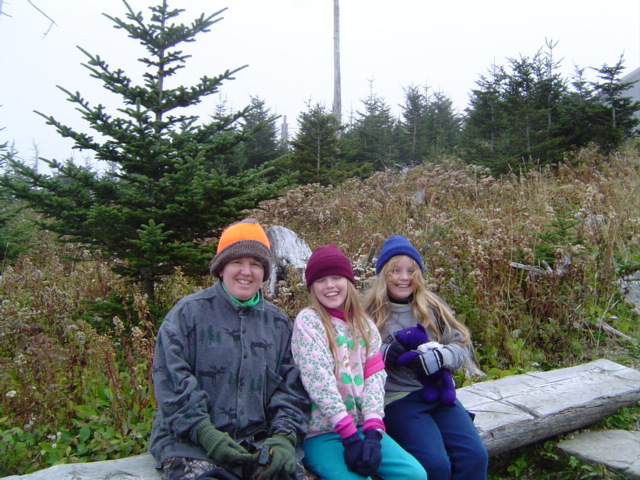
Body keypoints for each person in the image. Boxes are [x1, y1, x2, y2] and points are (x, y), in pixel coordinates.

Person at [149, 219, 311, 480]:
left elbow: (292, 390)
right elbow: (171, 381)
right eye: (237, 262)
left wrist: (283, 438)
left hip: (258, 443)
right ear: (221, 267)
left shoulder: (279, 323)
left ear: (265, 273)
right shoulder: (187, 314)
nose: (246, 272)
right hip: (191, 443)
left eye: (256, 264)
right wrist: (206, 434)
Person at [291, 244, 427, 480]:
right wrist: (348, 436)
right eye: (321, 280)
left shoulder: (365, 326)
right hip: (321, 433)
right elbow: (319, 383)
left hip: (362, 428)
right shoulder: (309, 322)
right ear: (312, 287)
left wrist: (373, 433)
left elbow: (374, 380)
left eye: (336, 277)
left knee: (415, 474)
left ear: (349, 282)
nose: (330, 285)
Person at [363, 235, 489, 480]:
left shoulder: (430, 307)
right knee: (435, 466)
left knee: (475, 456)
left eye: (411, 271)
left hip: (440, 395)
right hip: (397, 400)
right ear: (383, 275)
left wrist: (441, 357)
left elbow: (462, 343)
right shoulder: (369, 313)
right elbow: (351, 354)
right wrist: (384, 354)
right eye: (395, 271)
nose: (404, 277)